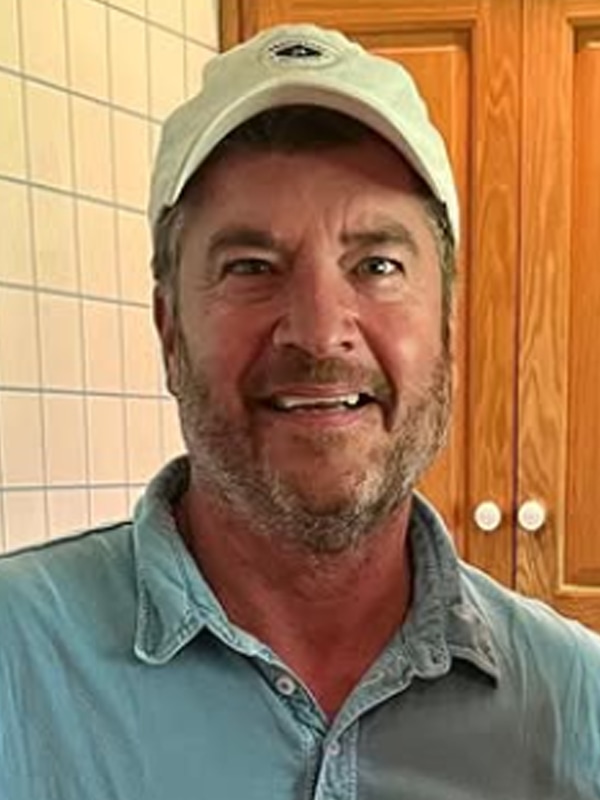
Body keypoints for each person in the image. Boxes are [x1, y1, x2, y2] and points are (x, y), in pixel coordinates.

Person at [0, 22, 598, 800]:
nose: (318, 332)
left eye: (376, 264)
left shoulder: (576, 707)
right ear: (170, 329)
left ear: (448, 327)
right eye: (251, 266)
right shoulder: (17, 666)